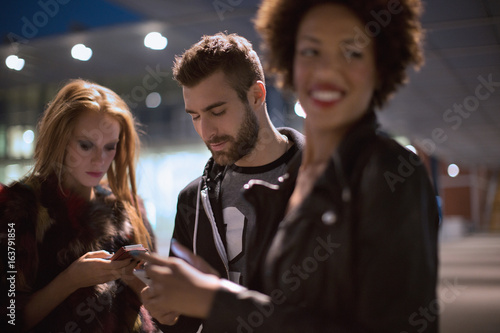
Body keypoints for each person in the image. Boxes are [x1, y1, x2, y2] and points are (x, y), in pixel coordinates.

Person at [139, 1, 440, 332]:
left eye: (351, 52)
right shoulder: (292, 184)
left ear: (379, 66)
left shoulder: (386, 172)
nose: (326, 70)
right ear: (290, 61)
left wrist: (214, 299)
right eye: (311, 52)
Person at [158, 32, 304, 331]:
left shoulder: (326, 183)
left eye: (217, 111)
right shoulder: (193, 200)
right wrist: (168, 315)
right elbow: (184, 320)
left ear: (256, 95)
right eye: (195, 116)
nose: (206, 131)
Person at [0, 79, 159, 332]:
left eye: (110, 147)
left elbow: (159, 313)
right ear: (60, 139)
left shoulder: (129, 210)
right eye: (86, 145)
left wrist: (141, 285)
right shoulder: (17, 209)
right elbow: (8, 318)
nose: (100, 159)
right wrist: (70, 281)